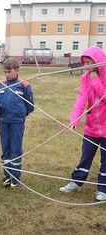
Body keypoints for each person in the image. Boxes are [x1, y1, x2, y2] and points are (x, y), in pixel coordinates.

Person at [59, 46, 106, 201]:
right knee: (86, 156)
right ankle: (77, 181)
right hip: (91, 127)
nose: (86, 65)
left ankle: (103, 189)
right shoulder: (84, 78)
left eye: (89, 62)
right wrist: (75, 119)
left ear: (98, 61)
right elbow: (81, 99)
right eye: (84, 62)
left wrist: (95, 80)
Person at [0, 58, 34, 188]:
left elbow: (30, 105)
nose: (7, 74)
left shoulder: (24, 85)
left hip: (17, 123)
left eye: (9, 72)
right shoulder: (0, 85)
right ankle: (7, 175)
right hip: (4, 122)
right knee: (6, 149)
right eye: (5, 72)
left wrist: (21, 113)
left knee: (15, 148)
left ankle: (15, 177)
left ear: (17, 70)